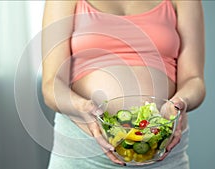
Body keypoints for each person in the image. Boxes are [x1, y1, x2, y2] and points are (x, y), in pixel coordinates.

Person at [41, 0, 205, 168]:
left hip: (162, 152)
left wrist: (181, 102)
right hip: (84, 154)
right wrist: (82, 107)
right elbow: (51, 85)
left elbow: (194, 79)